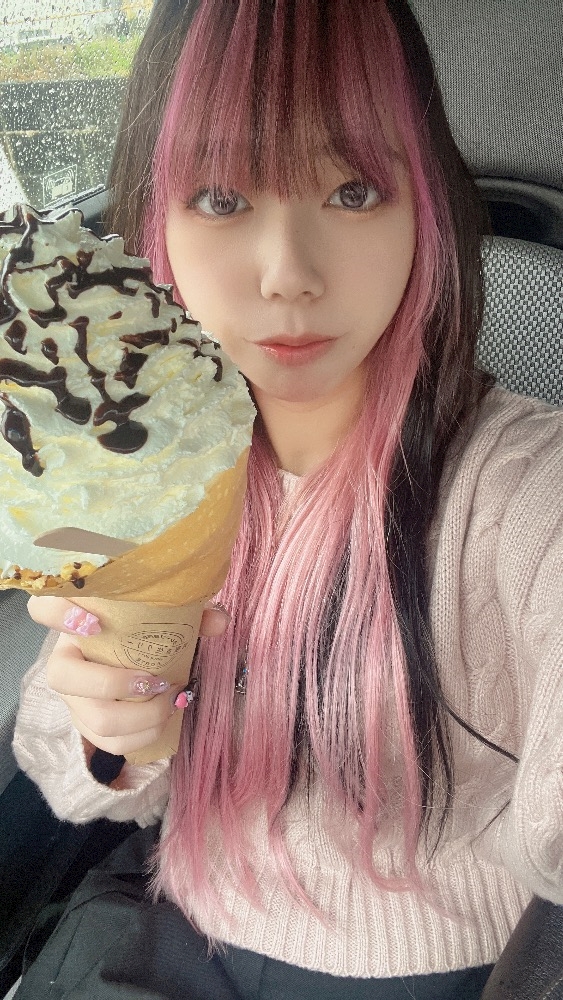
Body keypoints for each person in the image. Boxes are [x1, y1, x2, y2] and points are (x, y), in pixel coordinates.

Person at [12, 1, 563, 997]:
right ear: (153, 222)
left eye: (353, 190)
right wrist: (115, 732)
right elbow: (82, 787)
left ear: (424, 212)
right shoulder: (137, 472)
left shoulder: (524, 487)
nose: (289, 275)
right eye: (220, 198)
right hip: (169, 918)